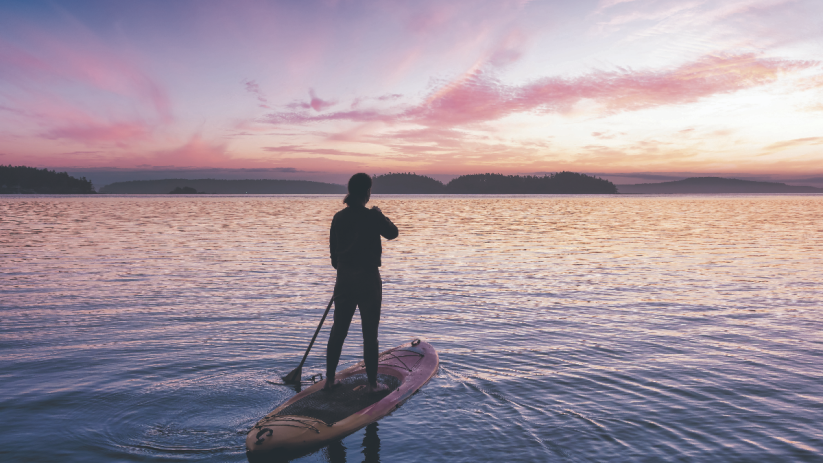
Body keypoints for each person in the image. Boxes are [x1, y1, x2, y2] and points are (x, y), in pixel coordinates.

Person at [324, 173, 398, 393]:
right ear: (367, 192)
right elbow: (393, 233)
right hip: (368, 281)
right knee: (370, 334)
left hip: (345, 279)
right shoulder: (372, 217)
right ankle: (373, 384)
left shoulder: (338, 218)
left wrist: (346, 271)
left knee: (339, 331)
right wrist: (380, 214)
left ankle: (329, 380)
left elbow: (333, 259)